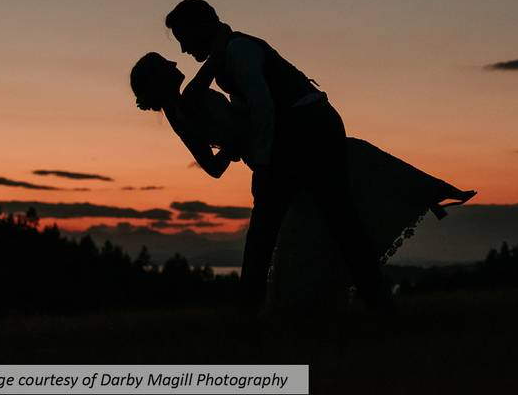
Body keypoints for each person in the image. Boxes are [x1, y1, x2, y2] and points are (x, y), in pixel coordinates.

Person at [129, 51, 476, 310]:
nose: (177, 64)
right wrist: (238, 139)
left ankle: (430, 194)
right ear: (159, 79)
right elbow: (219, 60)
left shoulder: (178, 112)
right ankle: (427, 197)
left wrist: (238, 135)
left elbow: (214, 164)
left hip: (275, 151)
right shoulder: (188, 101)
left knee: (350, 172)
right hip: (274, 157)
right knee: (342, 189)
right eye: (167, 65)